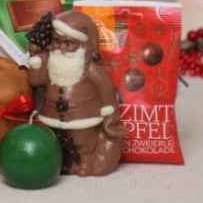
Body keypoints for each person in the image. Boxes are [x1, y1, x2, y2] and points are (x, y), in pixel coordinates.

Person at [27, 9, 128, 176]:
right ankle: (62, 162)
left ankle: (85, 162)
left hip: (83, 117)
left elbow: (105, 87)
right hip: (52, 115)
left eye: (68, 44)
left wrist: (108, 109)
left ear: (82, 45)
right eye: (57, 42)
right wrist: (36, 60)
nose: (61, 48)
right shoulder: (50, 64)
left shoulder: (90, 69)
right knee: (56, 141)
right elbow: (36, 81)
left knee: (83, 142)